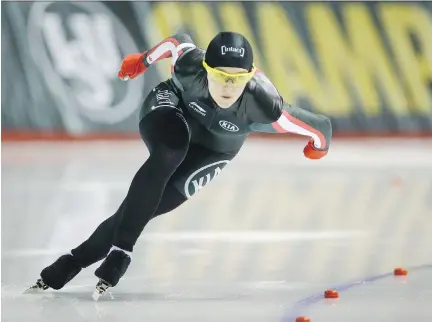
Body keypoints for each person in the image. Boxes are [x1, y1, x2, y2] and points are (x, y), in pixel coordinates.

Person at [26, 31, 332, 299]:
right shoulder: (190, 67)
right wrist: (142, 61)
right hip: (174, 108)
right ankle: (123, 251)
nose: (227, 86)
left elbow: (321, 127)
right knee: (170, 150)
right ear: (205, 69)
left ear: (249, 77)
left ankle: (70, 263)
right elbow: (178, 41)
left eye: (237, 79)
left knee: (151, 204)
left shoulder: (266, 105)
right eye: (220, 75)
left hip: (216, 148)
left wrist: (318, 147)